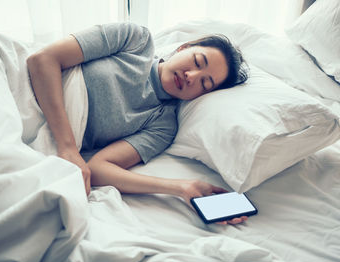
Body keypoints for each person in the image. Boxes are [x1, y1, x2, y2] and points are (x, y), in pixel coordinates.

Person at [27, 22, 248, 225]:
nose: (192, 75)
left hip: (37, 136)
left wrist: (182, 187)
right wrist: (68, 148)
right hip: (25, 89)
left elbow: (98, 168)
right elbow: (43, 60)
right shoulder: (136, 40)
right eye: (198, 62)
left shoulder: (163, 125)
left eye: (204, 83)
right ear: (184, 48)